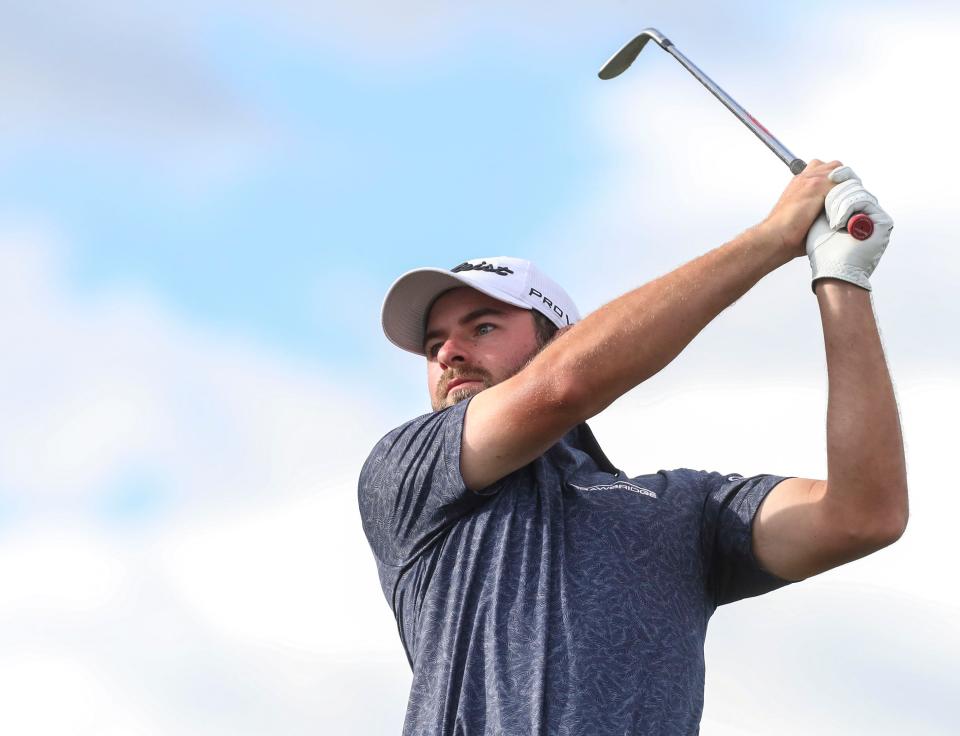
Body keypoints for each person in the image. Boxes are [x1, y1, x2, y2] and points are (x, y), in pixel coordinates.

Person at [358, 160, 908, 735]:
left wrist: (842, 279)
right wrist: (772, 237)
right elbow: (560, 389)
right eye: (433, 345)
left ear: (561, 338)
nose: (449, 353)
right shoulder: (408, 468)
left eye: (483, 327)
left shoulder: (684, 508)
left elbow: (863, 515)